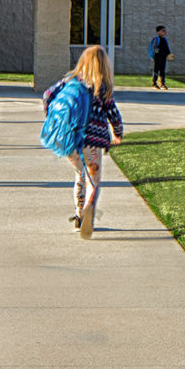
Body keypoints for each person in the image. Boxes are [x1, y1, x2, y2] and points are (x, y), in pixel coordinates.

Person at [43, 43, 122, 238]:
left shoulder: (69, 80)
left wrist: (53, 118)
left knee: (79, 175)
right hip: (93, 142)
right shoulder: (102, 86)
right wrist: (118, 132)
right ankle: (88, 210)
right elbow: (113, 114)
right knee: (93, 181)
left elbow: (47, 96)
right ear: (104, 65)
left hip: (70, 139)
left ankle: (79, 217)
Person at [148, 24, 172, 90]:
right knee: (156, 69)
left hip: (163, 56)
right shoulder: (157, 39)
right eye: (163, 30)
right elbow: (154, 47)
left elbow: (166, 47)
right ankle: (154, 83)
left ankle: (162, 83)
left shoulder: (165, 39)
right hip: (158, 56)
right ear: (158, 32)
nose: (165, 32)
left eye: (165, 30)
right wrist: (159, 51)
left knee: (162, 70)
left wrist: (167, 52)